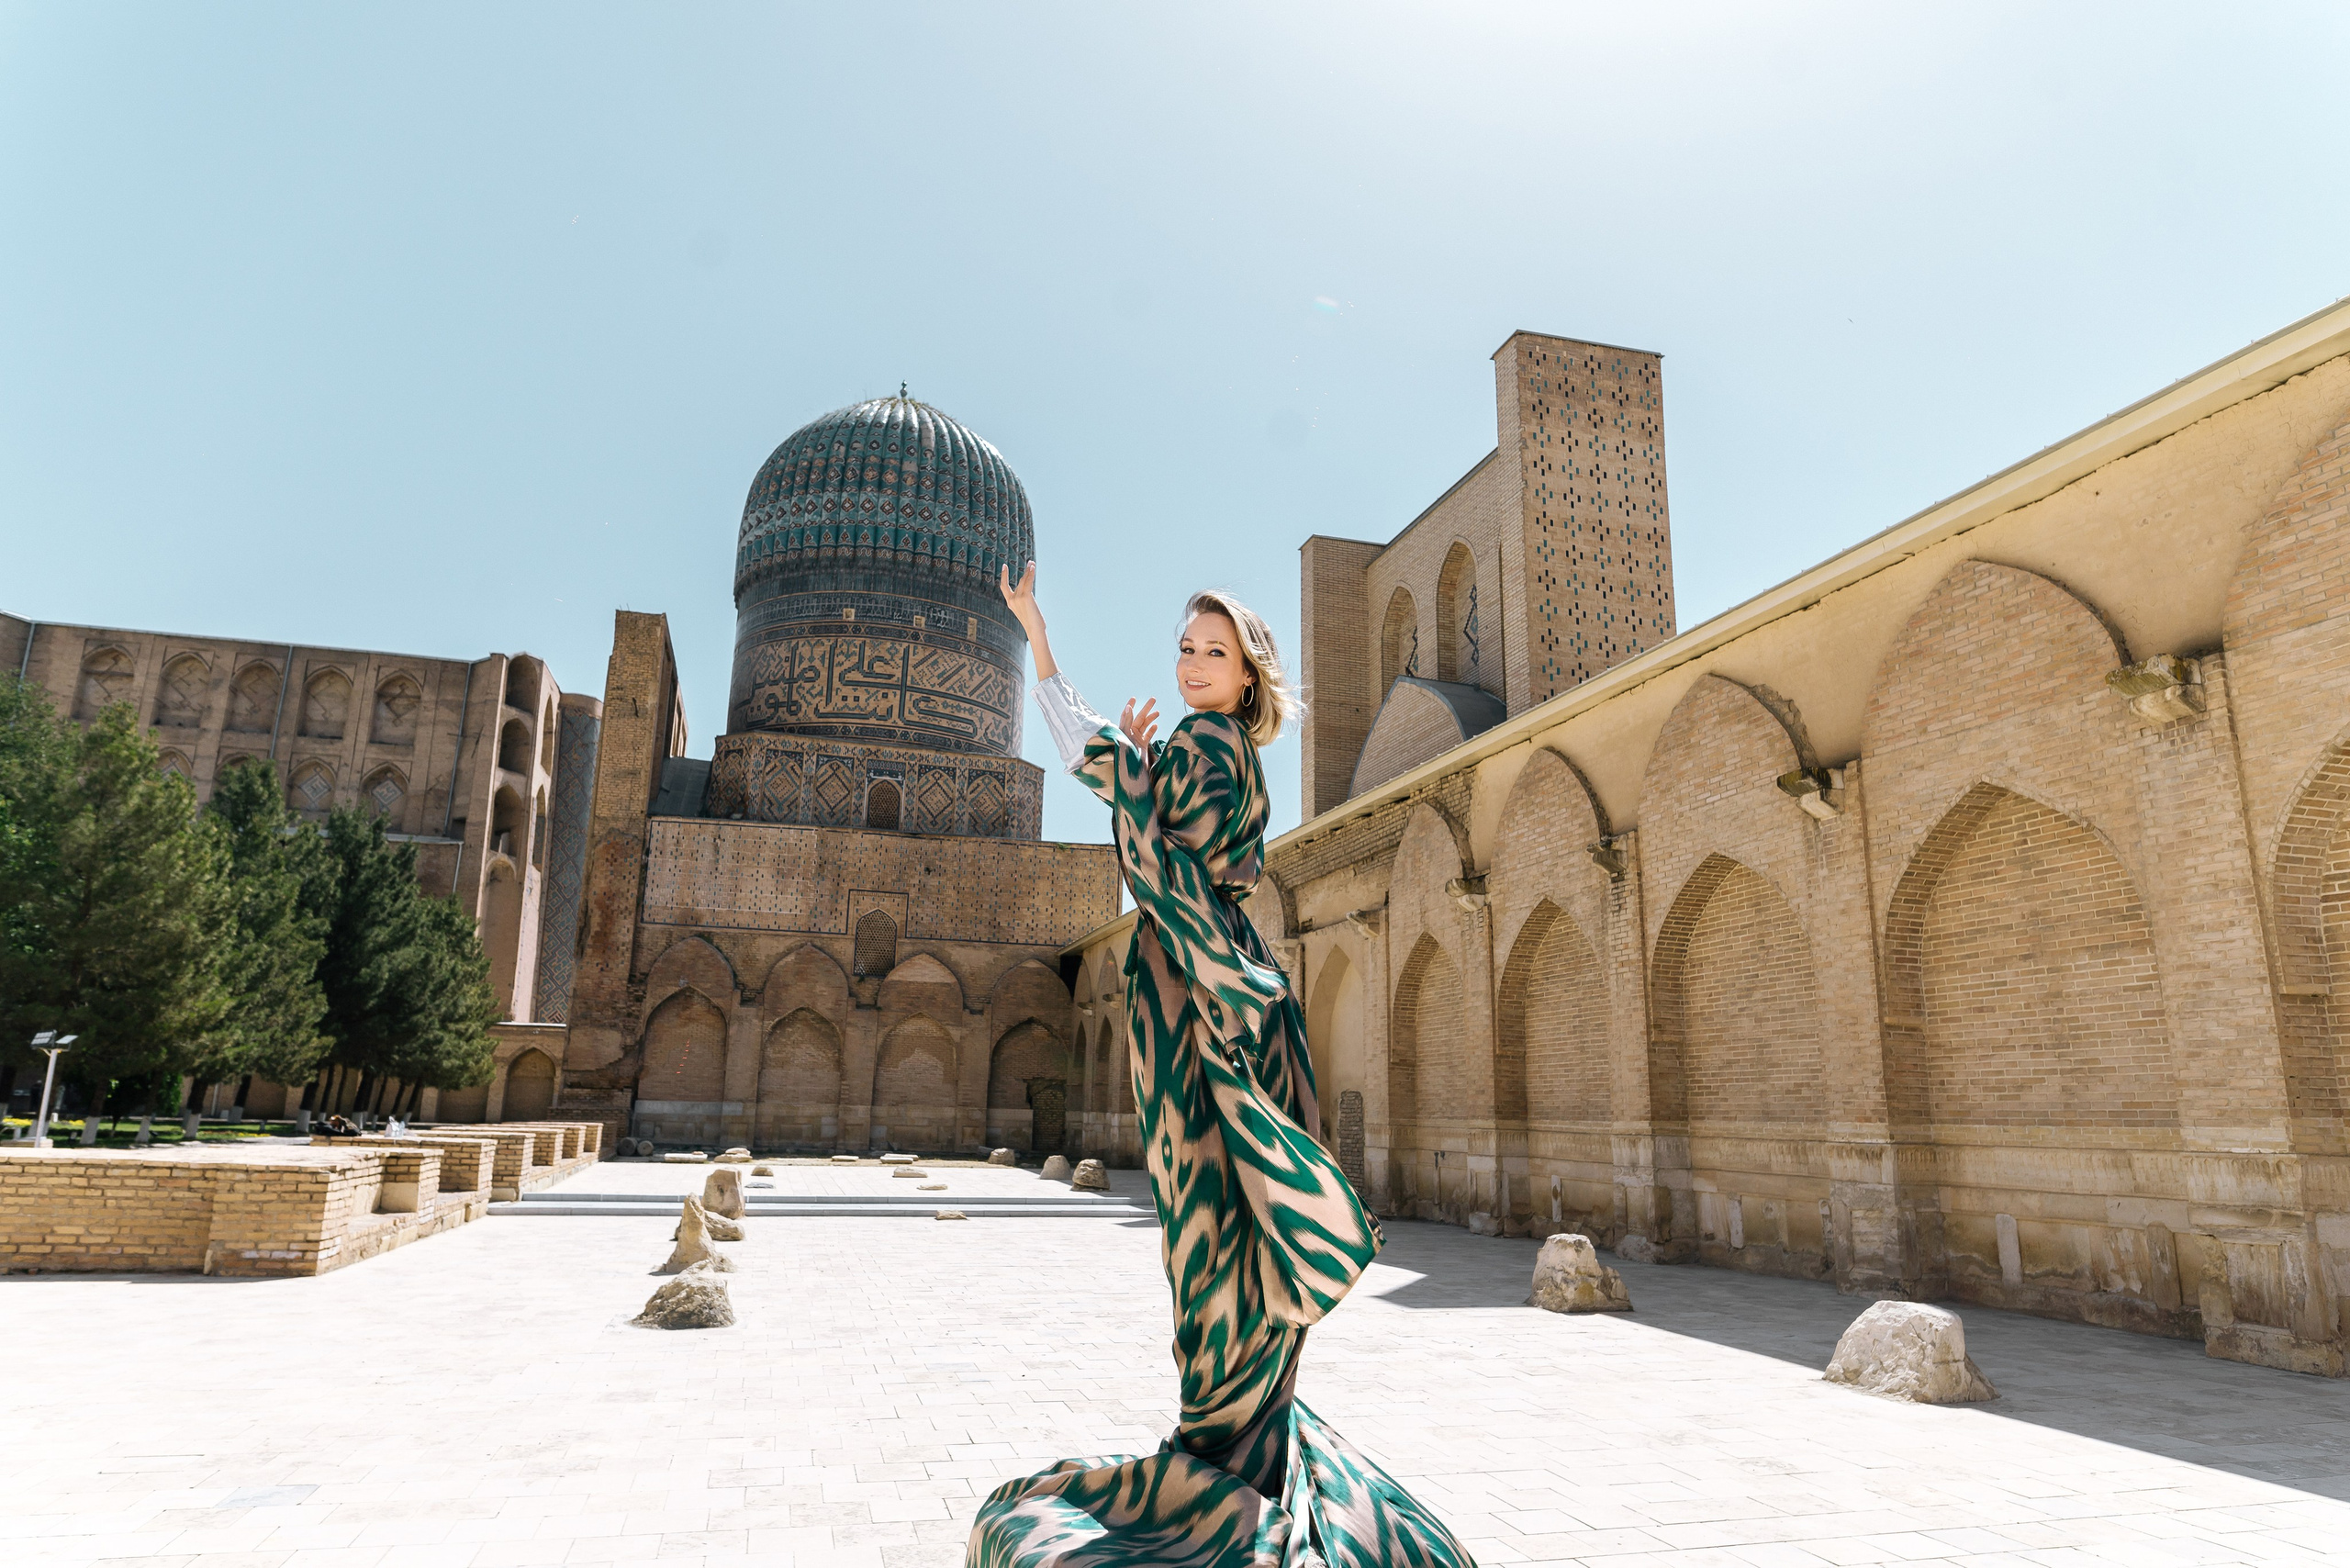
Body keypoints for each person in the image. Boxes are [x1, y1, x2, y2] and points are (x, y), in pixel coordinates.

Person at [969, 563, 1473, 1568]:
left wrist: (1126, 775)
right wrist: (1053, 657)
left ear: (1248, 677)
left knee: (1210, 1233)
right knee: (1222, 1229)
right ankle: (1238, 1442)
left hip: (1205, 996)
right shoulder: (1213, 747)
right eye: (1187, 649)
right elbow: (1118, 782)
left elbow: (1166, 872)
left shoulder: (1207, 746)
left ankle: (1227, 1459)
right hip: (1213, 983)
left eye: (1215, 652)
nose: (1195, 664)